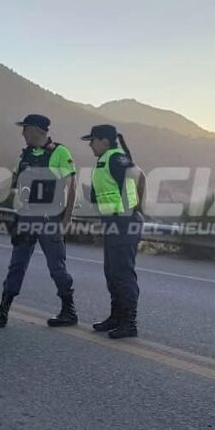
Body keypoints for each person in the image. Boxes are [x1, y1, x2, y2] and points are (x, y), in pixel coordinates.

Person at [0, 114, 78, 327]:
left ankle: (68, 311)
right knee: (17, 265)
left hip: (49, 219)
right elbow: (12, 181)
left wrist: (67, 218)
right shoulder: (24, 155)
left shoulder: (60, 153)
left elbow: (72, 185)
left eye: (25, 128)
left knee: (56, 266)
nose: (22, 133)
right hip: (25, 217)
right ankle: (3, 310)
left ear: (36, 130)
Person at [81, 124, 144, 339]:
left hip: (124, 223)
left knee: (123, 274)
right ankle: (116, 317)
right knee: (112, 272)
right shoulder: (104, 161)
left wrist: (135, 209)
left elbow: (140, 178)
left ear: (104, 141)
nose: (90, 144)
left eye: (92, 140)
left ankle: (129, 323)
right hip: (113, 223)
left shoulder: (116, 158)